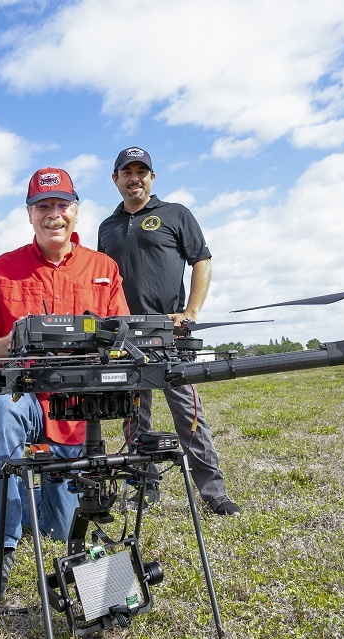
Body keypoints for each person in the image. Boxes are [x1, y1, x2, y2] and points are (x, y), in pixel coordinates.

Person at [0, 168, 130, 603]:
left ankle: (35, 514)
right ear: (30, 214)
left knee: (62, 527)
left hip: (78, 417)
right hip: (26, 401)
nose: (54, 215)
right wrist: (16, 337)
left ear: (76, 211)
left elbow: (126, 342)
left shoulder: (104, 268)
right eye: (43, 206)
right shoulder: (0, 271)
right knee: (1, 409)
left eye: (62, 205)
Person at [98, 146, 240, 516]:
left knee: (189, 414)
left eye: (141, 171)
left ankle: (214, 493)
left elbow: (202, 260)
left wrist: (191, 310)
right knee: (133, 416)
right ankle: (144, 486)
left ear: (152, 177)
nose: (135, 178)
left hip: (169, 335)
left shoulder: (176, 214)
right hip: (124, 337)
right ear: (115, 180)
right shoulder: (107, 227)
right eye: (126, 172)